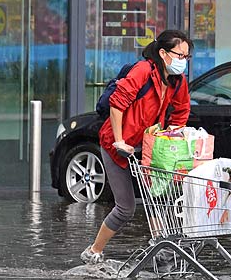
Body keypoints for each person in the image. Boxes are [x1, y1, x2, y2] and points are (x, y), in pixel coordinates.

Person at [81, 29, 193, 264]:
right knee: (125, 208)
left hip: (149, 147)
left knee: (157, 199)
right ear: (163, 53)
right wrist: (120, 140)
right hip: (115, 146)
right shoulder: (143, 71)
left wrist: (171, 135)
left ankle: (160, 247)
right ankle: (94, 251)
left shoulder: (176, 80)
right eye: (180, 56)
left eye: (187, 57)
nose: (183, 61)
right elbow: (117, 104)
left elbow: (181, 110)